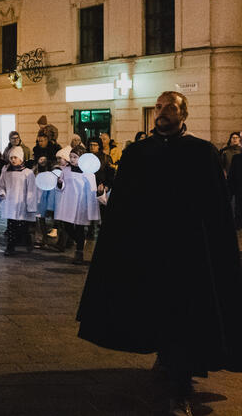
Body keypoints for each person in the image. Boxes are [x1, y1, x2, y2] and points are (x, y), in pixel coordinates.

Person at [77, 92, 242, 415]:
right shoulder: (138, 153)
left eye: (171, 107)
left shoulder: (201, 152)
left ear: (184, 114)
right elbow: (124, 206)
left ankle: (180, 387)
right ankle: (167, 359)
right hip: (148, 251)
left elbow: (216, 210)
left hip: (189, 254)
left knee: (184, 315)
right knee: (156, 310)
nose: (163, 111)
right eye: (159, 107)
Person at [55, 145, 99, 264]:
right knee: (67, 225)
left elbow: (92, 191)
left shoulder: (88, 173)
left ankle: (79, 253)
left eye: (75, 157)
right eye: (71, 157)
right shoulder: (66, 170)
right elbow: (61, 186)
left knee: (80, 228)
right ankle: (79, 240)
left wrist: (91, 207)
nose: (72, 159)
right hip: (69, 202)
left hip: (81, 203)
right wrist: (59, 184)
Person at [0, 146, 36, 256]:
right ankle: (10, 247)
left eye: (15, 157)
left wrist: (30, 205)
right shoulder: (6, 172)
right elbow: (2, 185)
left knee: (21, 226)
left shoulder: (27, 173)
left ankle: (26, 240)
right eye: (11, 158)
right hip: (10, 203)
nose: (13, 160)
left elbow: (31, 190)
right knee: (11, 227)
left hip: (21, 203)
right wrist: (2, 193)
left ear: (21, 159)